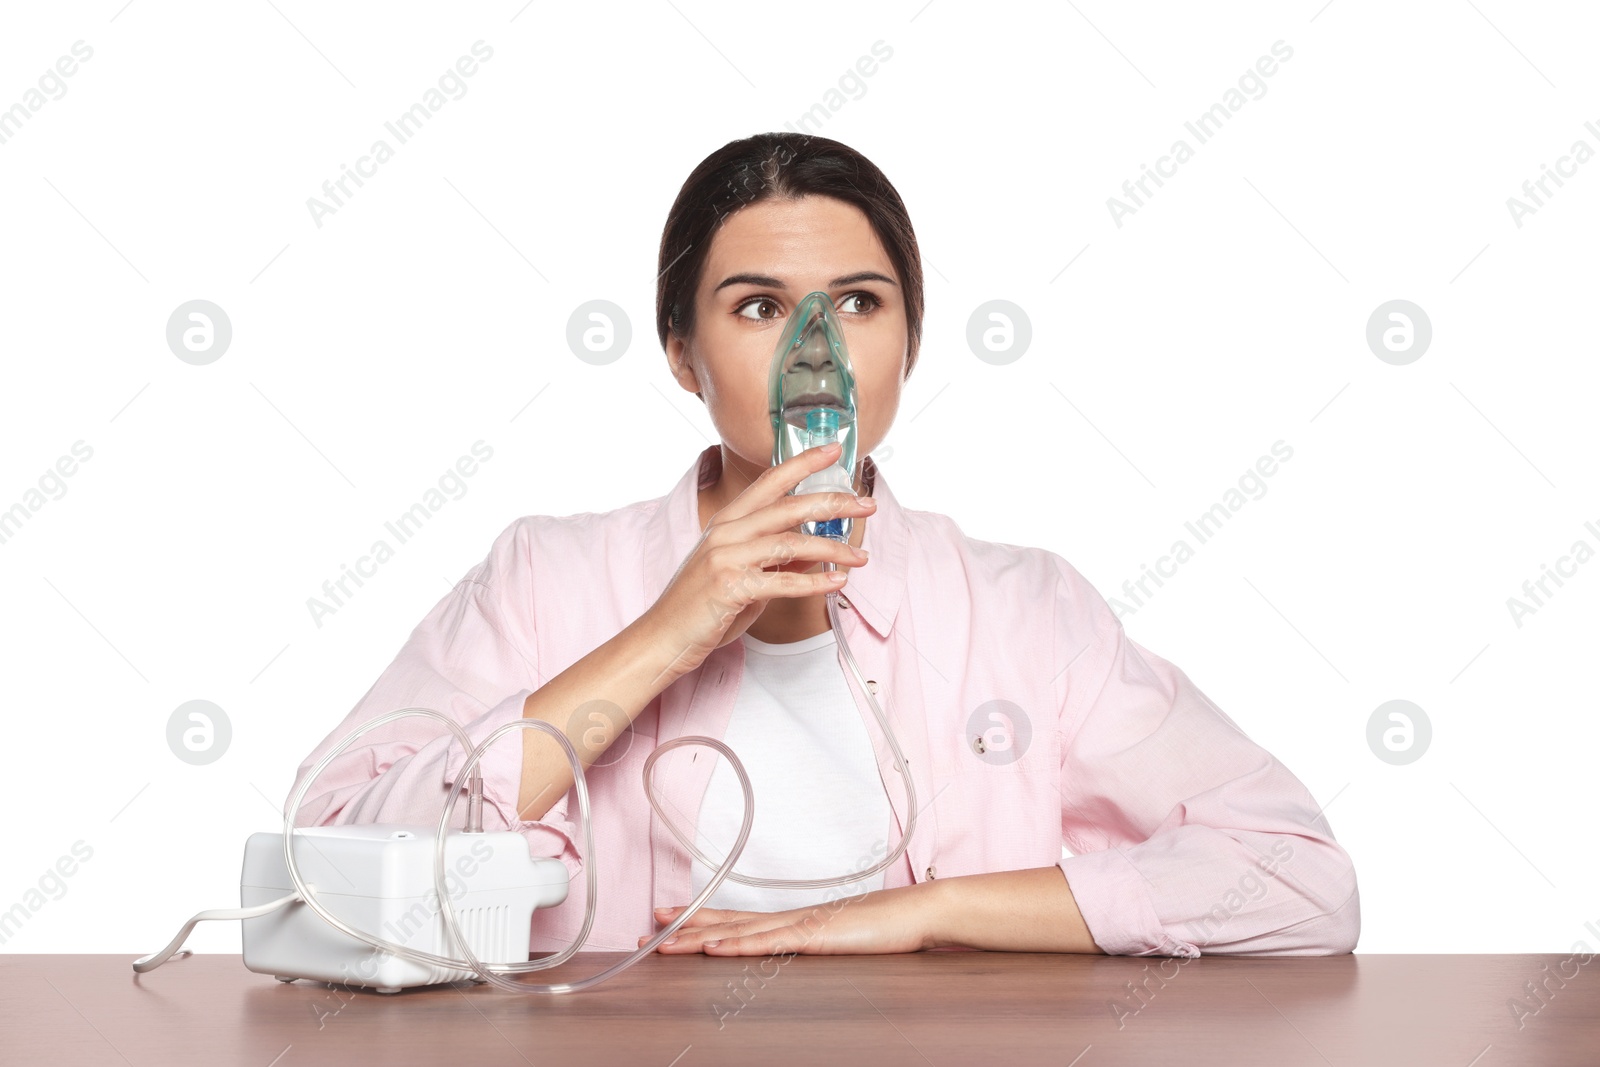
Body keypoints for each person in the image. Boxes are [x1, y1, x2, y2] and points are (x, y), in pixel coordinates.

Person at [288, 132, 1359, 960]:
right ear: (680, 353)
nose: (818, 353)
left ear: (909, 338)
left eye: (856, 301)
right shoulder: (545, 579)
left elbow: (1298, 879)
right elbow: (323, 868)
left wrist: (924, 913)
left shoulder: (1023, 611)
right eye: (758, 307)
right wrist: (669, 631)